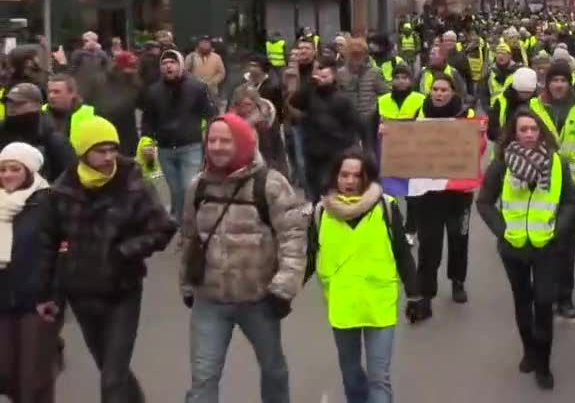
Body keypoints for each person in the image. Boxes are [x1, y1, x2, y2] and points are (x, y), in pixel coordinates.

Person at [43, 116, 176, 402]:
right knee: (110, 369)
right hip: (81, 293)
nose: (108, 157)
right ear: (83, 151)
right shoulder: (63, 190)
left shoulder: (133, 182)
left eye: (112, 149)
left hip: (122, 290)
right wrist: (54, 289)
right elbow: (49, 242)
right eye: (100, 150)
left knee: (112, 379)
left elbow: (162, 228)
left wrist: (124, 252)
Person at [180, 114, 308, 403]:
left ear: (242, 142)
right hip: (209, 299)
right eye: (212, 140)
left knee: (273, 370)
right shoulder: (198, 186)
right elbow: (189, 237)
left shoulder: (270, 184)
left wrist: (283, 288)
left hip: (258, 300)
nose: (216, 146)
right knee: (203, 378)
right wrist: (187, 284)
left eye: (225, 140)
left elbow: (293, 239)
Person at [475, 109, 575, 391]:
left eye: (534, 129)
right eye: (523, 130)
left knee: (544, 302)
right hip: (514, 247)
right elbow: (484, 202)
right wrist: (503, 231)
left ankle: (544, 364)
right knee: (522, 300)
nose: (529, 134)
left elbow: (570, 201)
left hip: (546, 245)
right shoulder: (502, 164)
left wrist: (558, 230)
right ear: (514, 133)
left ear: (541, 132)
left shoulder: (557, 162)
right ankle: (529, 351)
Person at [308, 150, 420, 403]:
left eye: (357, 175)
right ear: (335, 177)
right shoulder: (321, 213)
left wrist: (414, 296)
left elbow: (402, 253)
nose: (350, 181)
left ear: (367, 177)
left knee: (379, 379)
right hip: (342, 305)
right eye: (344, 175)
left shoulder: (385, 207)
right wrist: (282, 291)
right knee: (351, 376)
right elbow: (308, 258)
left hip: (379, 304)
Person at [403, 76, 480, 314]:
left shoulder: (467, 116)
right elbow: (406, 145)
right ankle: (426, 293)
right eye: (435, 89)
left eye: (444, 90)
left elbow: (478, 150)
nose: (438, 93)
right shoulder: (419, 114)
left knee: (458, 238)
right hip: (428, 192)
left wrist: (479, 135)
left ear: (453, 92)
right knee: (429, 244)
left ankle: (457, 281)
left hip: (458, 192)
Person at [527, 60, 575, 319]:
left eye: (563, 80)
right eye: (554, 80)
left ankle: (565, 297)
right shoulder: (533, 107)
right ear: (547, 83)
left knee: (566, 242)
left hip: (574, 188)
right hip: (540, 184)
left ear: (570, 83)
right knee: (542, 241)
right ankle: (545, 293)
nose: (558, 85)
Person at [0, 143, 58, 403]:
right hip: (3, 299)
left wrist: (54, 295)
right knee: (6, 374)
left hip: (36, 300)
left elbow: (61, 251)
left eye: (15, 169)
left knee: (32, 380)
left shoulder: (46, 202)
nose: (7, 175)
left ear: (29, 171)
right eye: (2, 169)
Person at [140, 48, 216, 222]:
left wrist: (211, 138)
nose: (168, 66)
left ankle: (186, 225)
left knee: (187, 188)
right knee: (175, 191)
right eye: (164, 63)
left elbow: (211, 114)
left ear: (181, 64)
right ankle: (181, 220)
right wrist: (147, 141)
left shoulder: (197, 87)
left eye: (172, 62)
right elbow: (148, 120)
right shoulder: (153, 91)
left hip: (190, 146)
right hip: (165, 149)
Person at [288, 56, 365, 202]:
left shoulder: (342, 98)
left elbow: (353, 124)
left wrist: (346, 144)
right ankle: (315, 208)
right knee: (312, 186)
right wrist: (309, 83)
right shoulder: (310, 94)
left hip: (334, 151)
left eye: (324, 76)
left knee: (328, 186)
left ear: (333, 76)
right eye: (319, 76)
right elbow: (294, 101)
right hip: (312, 149)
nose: (320, 79)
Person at [0, 83, 76, 184]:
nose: (12, 107)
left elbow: (69, 180)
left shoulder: (54, 140)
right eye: (9, 103)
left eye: (19, 103)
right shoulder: (2, 133)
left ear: (37, 105)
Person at [185, 37, 227, 108]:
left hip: (211, 91)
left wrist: (213, 81)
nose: (205, 45)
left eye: (207, 43)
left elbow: (221, 73)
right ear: (199, 44)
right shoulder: (191, 57)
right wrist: (194, 81)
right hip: (194, 90)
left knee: (212, 110)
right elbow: (185, 72)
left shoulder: (216, 57)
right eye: (203, 42)